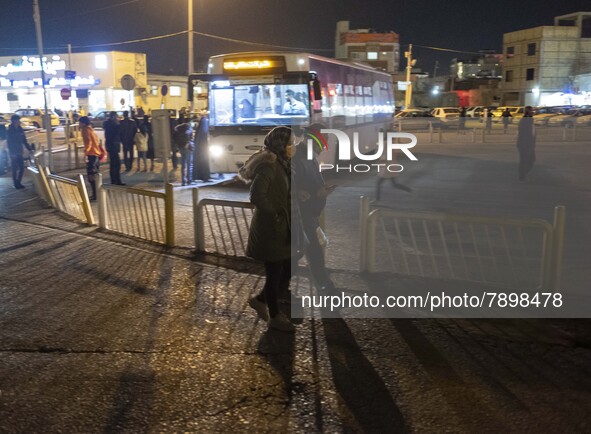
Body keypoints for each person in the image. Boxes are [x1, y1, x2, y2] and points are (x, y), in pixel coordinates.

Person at [239, 126, 296, 332]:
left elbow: (282, 190)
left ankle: (261, 299)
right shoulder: (269, 166)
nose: (293, 147)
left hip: (283, 226)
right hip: (271, 228)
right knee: (274, 272)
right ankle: (274, 315)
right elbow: (257, 196)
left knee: (287, 267)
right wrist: (275, 212)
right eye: (291, 143)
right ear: (281, 144)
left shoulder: (282, 163)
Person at [292, 132, 336, 293]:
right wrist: (314, 192)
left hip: (310, 212)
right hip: (302, 214)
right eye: (319, 146)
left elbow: (309, 180)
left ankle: (276, 288)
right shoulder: (297, 157)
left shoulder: (308, 156)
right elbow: (292, 182)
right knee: (313, 252)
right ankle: (327, 288)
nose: (321, 150)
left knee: (300, 253)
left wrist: (321, 190)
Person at [7, 115, 33, 189]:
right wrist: (12, 153)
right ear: (14, 121)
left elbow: (24, 140)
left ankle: (18, 182)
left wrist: (29, 148)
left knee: (21, 168)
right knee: (15, 168)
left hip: (19, 151)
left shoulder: (20, 129)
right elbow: (9, 142)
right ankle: (16, 183)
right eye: (18, 120)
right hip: (13, 152)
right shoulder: (10, 130)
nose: (19, 121)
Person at [79, 116, 101, 200]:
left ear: (83, 123)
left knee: (91, 176)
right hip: (96, 154)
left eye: (80, 123)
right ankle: (97, 194)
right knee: (95, 175)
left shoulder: (85, 130)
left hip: (91, 154)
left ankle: (95, 195)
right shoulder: (91, 129)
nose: (79, 124)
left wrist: (85, 154)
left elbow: (89, 143)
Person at [103, 111, 125, 185]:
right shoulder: (113, 125)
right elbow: (115, 134)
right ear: (113, 117)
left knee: (114, 164)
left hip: (111, 145)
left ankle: (115, 180)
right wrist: (118, 125)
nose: (117, 118)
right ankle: (116, 180)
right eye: (116, 116)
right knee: (116, 164)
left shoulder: (109, 124)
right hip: (113, 146)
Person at [517, 106, 536, 182]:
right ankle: (522, 176)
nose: (533, 112)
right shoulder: (526, 120)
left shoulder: (529, 120)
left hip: (527, 143)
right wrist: (529, 144)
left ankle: (523, 175)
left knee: (529, 159)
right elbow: (525, 133)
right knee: (526, 159)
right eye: (531, 111)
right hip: (524, 143)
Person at [173, 116, 194, 186]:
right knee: (189, 164)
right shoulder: (188, 127)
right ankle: (189, 180)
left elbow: (175, 137)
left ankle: (183, 181)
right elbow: (189, 135)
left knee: (183, 164)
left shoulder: (178, 128)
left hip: (181, 147)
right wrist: (188, 143)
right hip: (187, 147)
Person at [192, 114, 211, 181]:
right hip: (203, 148)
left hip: (201, 148)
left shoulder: (202, 123)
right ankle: (205, 176)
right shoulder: (204, 122)